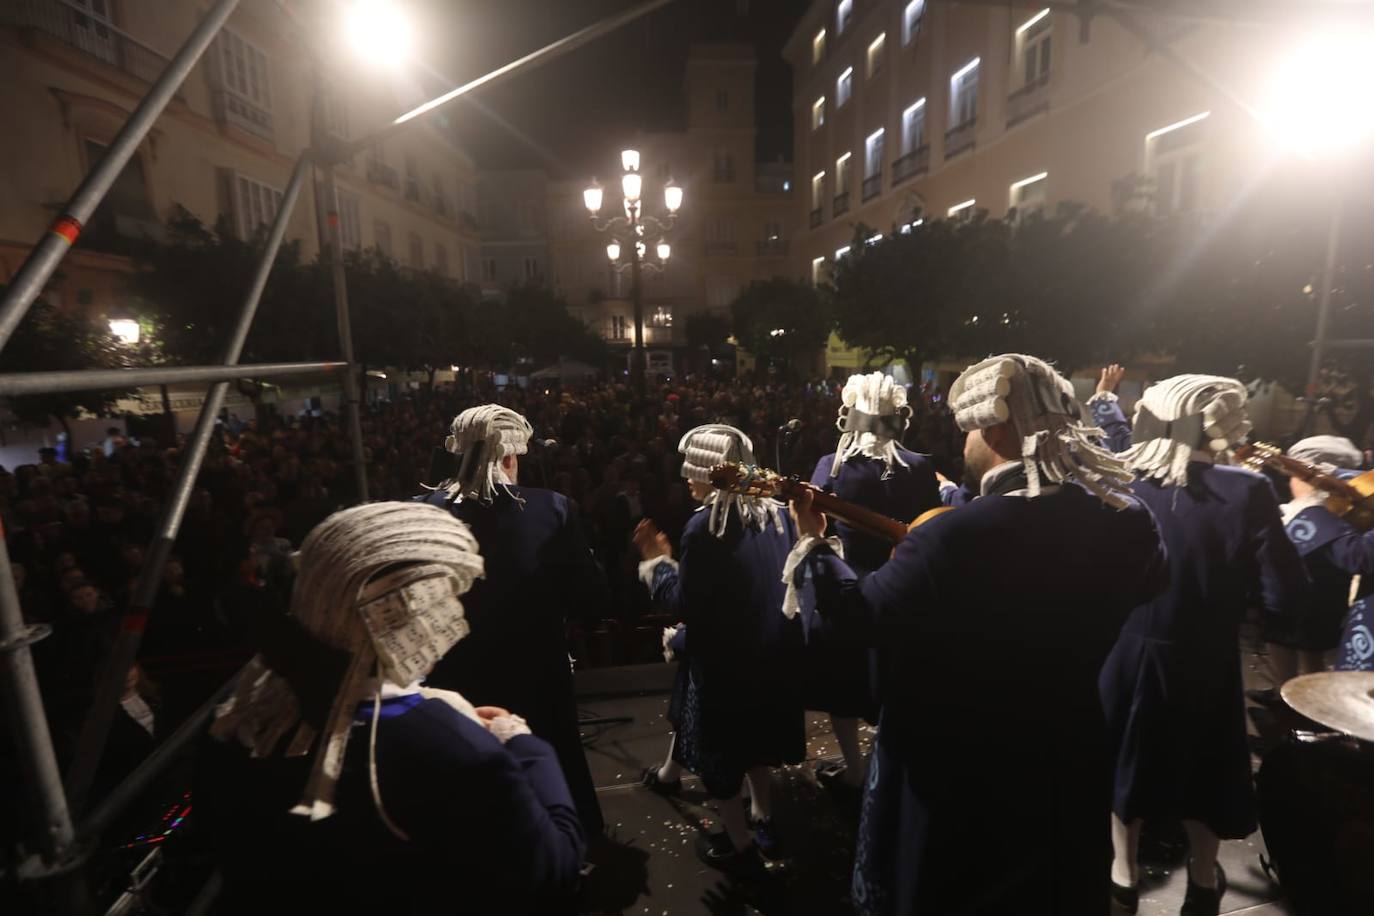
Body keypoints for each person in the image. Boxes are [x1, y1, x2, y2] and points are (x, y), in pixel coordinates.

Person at [789, 354, 1168, 915]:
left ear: (992, 429)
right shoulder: (1128, 519)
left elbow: (851, 619)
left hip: (959, 771)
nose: (962, 445)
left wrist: (815, 545)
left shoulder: (950, 541)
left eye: (967, 432)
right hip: (1067, 750)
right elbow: (1142, 578)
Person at [199, 502, 585, 913]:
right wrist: (520, 742)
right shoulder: (455, 752)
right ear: (409, 615)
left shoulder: (241, 719)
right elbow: (553, 866)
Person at [1100, 374, 1308, 915]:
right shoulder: (1246, 489)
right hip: (1204, 653)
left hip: (1122, 649)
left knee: (1124, 759)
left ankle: (1121, 876)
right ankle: (1202, 878)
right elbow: (1284, 590)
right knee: (1206, 767)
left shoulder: (1117, 482)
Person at [417, 404, 608, 836]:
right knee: (548, 767)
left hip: (455, 678)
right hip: (536, 673)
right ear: (509, 457)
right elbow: (590, 598)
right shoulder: (553, 509)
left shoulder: (425, 510)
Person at [633, 424, 805, 872]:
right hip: (770, 658)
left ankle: (741, 846)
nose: (686, 479)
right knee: (758, 748)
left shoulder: (704, 526)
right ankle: (763, 819)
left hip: (725, 668)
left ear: (715, 472)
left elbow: (685, 603)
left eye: (693, 470)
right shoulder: (777, 516)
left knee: (722, 761)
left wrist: (655, 562)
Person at [806, 372, 939, 792]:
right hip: (903, 585)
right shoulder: (921, 467)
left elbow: (816, 528)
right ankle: (884, 763)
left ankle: (854, 768)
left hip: (849, 584)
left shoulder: (832, 467)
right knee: (894, 680)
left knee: (845, 681)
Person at [1256, 436, 1369, 686]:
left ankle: (1296, 704)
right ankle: (1283, 696)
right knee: (1288, 643)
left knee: (1305, 649)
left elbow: (1354, 556)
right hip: (1305, 597)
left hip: (1315, 595)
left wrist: (1308, 510)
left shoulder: (1323, 512)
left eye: (1295, 476)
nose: (1290, 481)